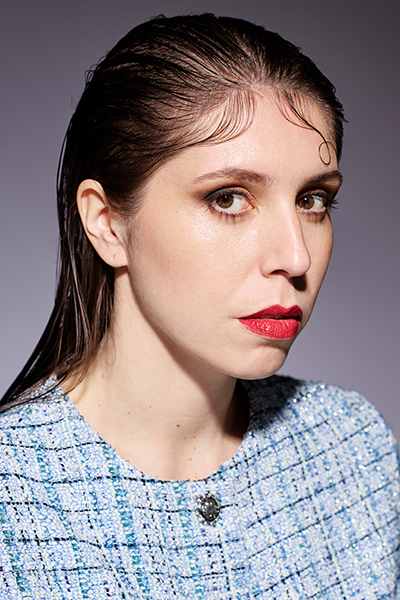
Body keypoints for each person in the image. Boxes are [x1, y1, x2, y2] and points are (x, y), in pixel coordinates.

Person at [0, 13, 398, 599]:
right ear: (107, 223)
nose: (295, 257)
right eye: (228, 198)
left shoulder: (351, 447)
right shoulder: (14, 497)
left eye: (313, 200)